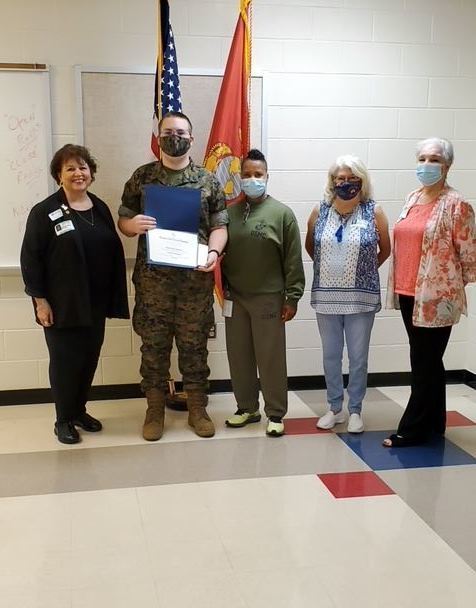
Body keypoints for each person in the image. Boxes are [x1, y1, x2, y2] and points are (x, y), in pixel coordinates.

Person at [118, 111, 228, 441]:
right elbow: (123, 220)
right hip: (153, 284)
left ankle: (197, 409)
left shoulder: (208, 180)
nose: (174, 137)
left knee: (194, 348)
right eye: (168, 132)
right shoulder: (142, 177)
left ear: (191, 138)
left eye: (180, 132)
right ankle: (154, 410)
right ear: (159, 137)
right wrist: (131, 225)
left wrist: (214, 253)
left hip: (195, 283)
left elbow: (220, 226)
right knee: (153, 349)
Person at [20, 144, 129, 444]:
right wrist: (40, 302)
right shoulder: (44, 212)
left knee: (89, 358)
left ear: (91, 173)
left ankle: (79, 411)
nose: (78, 173)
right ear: (59, 175)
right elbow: (30, 259)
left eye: (83, 167)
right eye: (70, 168)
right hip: (62, 303)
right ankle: (63, 419)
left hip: (95, 302)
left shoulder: (100, 208)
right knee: (65, 362)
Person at [383, 138, 476, 448]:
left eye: (434, 159)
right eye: (422, 158)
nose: (426, 165)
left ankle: (412, 429)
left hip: (437, 296)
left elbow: (469, 254)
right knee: (428, 360)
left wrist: (449, 287)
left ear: (447, 165)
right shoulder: (413, 197)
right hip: (408, 291)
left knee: (424, 362)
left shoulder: (457, 204)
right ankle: (435, 422)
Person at [305, 155, 391, 433]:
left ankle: (355, 410)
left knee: (358, 358)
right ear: (332, 181)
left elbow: (385, 249)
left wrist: (363, 272)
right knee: (330, 356)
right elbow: (310, 246)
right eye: (340, 178)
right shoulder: (320, 211)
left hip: (360, 300)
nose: (346, 183)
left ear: (362, 181)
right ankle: (334, 408)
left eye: (352, 178)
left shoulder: (374, 211)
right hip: (326, 298)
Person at [223, 149, 305, 437]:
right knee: (239, 355)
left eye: (258, 174)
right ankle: (246, 408)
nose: (252, 179)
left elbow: (293, 259)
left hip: (268, 297)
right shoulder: (229, 213)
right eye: (246, 174)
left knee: (270, 356)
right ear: (239, 177)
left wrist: (292, 297)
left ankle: (275, 412)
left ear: (267, 177)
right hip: (235, 297)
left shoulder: (282, 214)